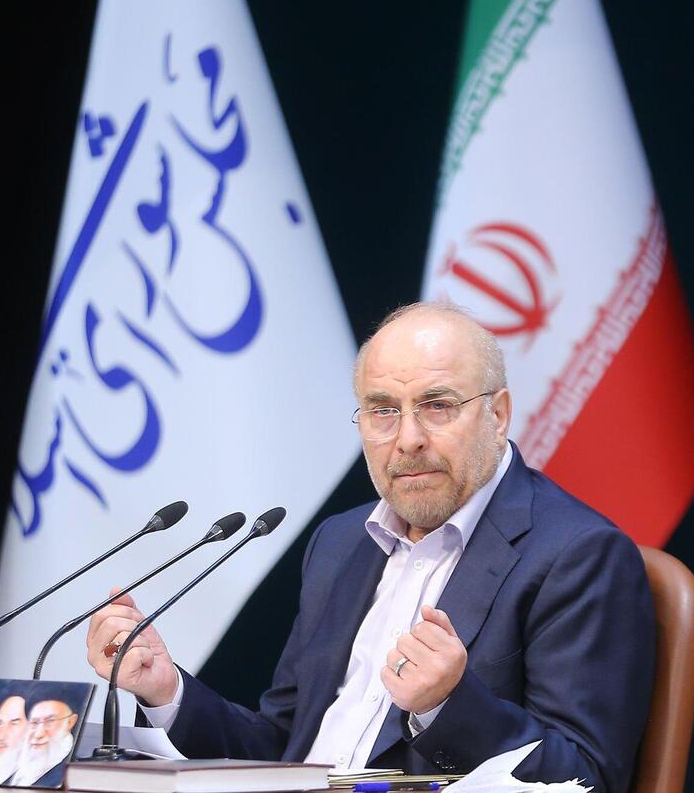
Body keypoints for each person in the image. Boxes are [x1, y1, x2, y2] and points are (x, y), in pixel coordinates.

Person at [85, 302, 655, 793]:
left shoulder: (578, 555)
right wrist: (166, 691)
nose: (407, 439)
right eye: (384, 410)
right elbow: (285, 748)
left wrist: (447, 705)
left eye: (437, 405)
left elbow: (585, 780)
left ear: (497, 414)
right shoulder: (340, 542)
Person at [8, 697, 80, 788]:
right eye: (34, 723)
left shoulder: (75, 776)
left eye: (50, 721)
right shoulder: (14, 768)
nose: (38, 734)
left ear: (70, 722)